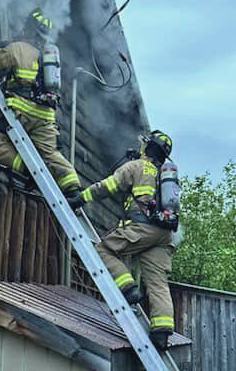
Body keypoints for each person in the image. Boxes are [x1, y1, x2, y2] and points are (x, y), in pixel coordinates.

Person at [68, 130, 176, 350]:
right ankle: (162, 333)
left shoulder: (136, 166)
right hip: (163, 234)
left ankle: (128, 289)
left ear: (148, 148)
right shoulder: (163, 175)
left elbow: (108, 186)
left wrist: (81, 198)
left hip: (142, 228)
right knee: (157, 283)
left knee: (103, 250)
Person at [0, 8, 81, 197]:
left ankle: (29, 171)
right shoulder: (50, 57)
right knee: (51, 154)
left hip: (21, 112)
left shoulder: (18, 48)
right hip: (46, 117)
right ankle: (74, 187)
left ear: (28, 28)